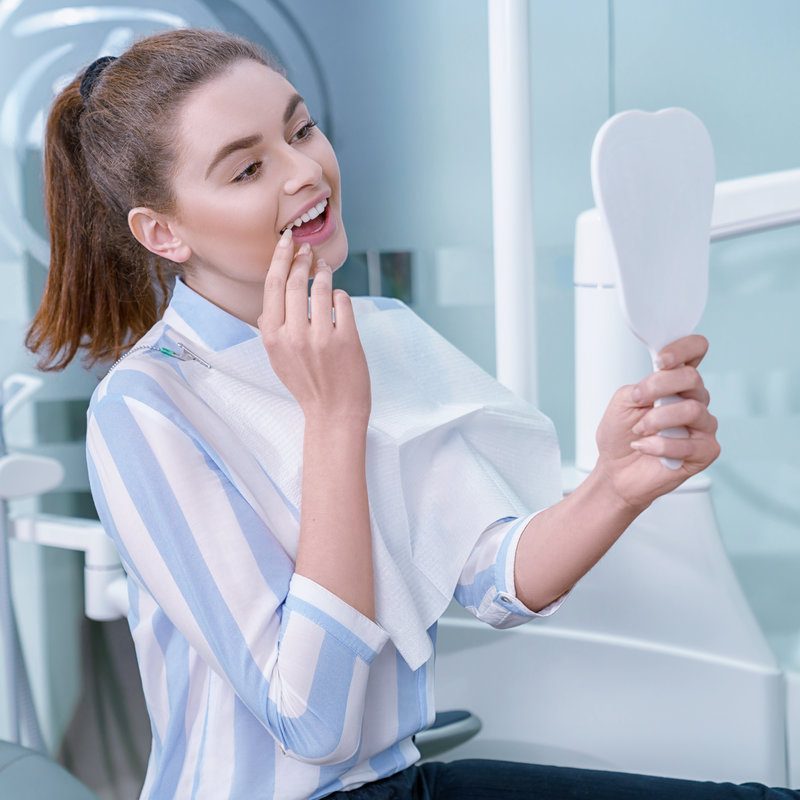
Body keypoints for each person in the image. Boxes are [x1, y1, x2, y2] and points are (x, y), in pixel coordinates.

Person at [24, 26, 793, 800]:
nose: (305, 173)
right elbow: (309, 723)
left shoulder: (376, 334)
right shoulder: (148, 407)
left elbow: (494, 580)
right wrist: (334, 421)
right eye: (249, 168)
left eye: (301, 129)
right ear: (163, 232)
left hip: (398, 783)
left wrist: (616, 484)